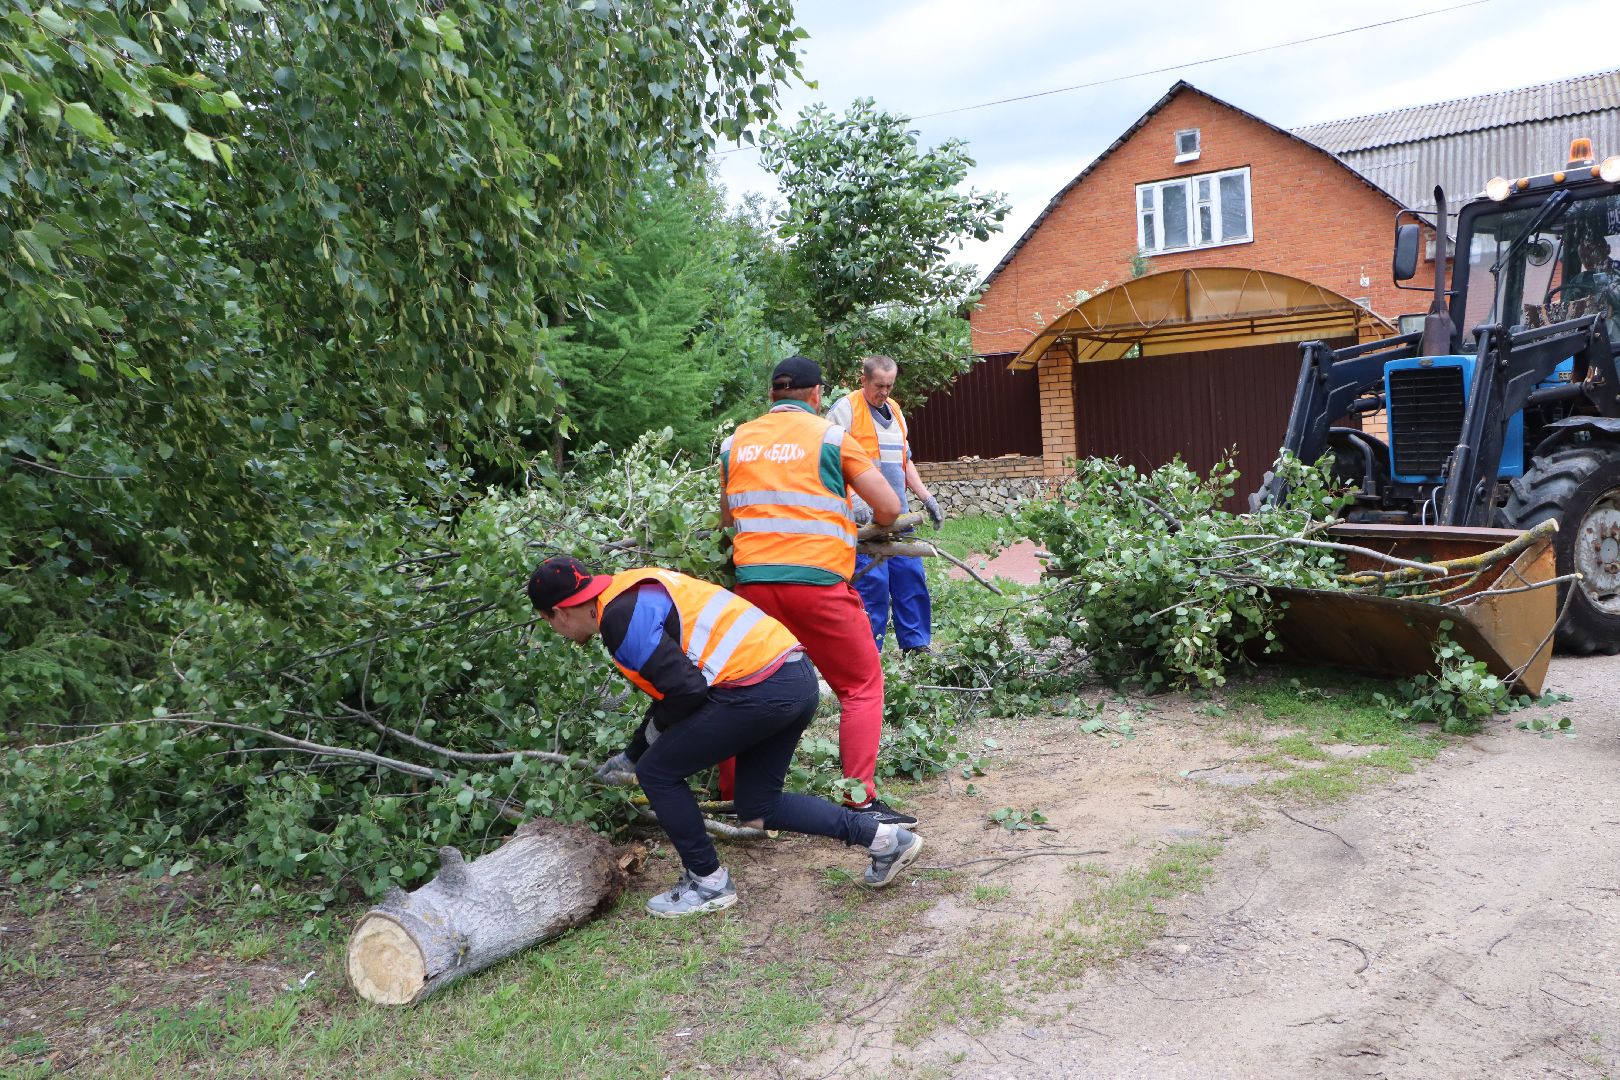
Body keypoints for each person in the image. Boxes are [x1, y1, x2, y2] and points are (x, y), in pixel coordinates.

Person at [527, 556, 924, 917]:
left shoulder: (620, 621)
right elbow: (675, 689)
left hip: (757, 690)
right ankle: (887, 840)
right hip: (794, 676)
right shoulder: (631, 587)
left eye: (549, 623)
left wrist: (638, 758)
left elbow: (686, 692)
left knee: (658, 773)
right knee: (759, 806)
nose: (558, 632)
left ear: (559, 612)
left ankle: (708, 882)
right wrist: (634, 750)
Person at [720, 354, 916, 827]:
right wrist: (858, 524)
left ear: (771, 395)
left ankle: (732, 796)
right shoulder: (831, 436)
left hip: (752, 590)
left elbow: (728, 523)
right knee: (861, 686)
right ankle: (860, 801)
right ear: (815, 396)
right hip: (818, 586)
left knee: (743, 688)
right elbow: (888, 507)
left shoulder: (735, 443)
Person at [825, 355, 944, 654]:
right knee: (872, 586)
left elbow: (905, 461)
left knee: (910, 578)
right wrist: (853, 501)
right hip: (864, 519)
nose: (885, 392)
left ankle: (917, 647)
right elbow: (827, 462)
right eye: (879, 385)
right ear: (862, 379)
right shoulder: (845, 410)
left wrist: (926, 497)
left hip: (898, 515)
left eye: (890, 385)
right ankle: (869, 653)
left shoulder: (896, 412)